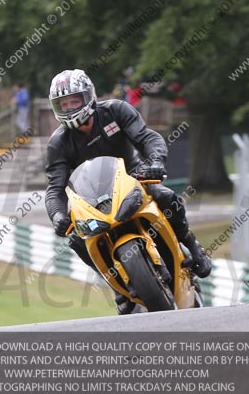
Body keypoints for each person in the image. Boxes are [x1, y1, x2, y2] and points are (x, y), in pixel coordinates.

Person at [44, 69, 211, 315]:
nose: (69, 107)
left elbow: (147, 138)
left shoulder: (116, 110)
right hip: (91, 198)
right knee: (77, 239)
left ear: (88, 96)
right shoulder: (57, 143)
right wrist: (58, 216)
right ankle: (117, 287)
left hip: (133, 177)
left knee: (165, 196)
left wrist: (155, 162)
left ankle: (192, 245)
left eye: (74, 101)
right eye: (63, 103)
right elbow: (55, 188)